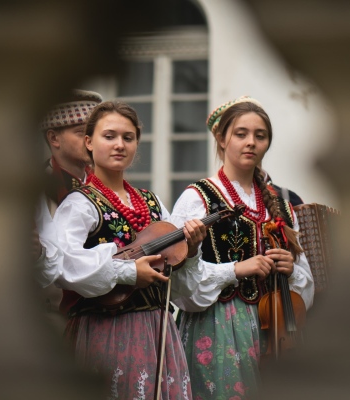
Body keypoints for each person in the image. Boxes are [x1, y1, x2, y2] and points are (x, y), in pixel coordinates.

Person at [41, 101, 207, 399]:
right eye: (109, 136)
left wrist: (191, 251)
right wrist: (128, 271)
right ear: (89, 142)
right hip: (106, 328)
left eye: (128, 138)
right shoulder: (79, 203)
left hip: (158, 329)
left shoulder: (152, 202)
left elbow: (178, 284)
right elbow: (65, 265)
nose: (119, 144)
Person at [170, 96, 314, 399]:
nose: (251, 142)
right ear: (222, 140)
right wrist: (234, 269)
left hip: (274, 326)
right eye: (241, 134)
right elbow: (178, 284)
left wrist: (291, 270)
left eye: (260, 136)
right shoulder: (198, 198)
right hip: (217, 327)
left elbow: (306, 281)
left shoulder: (283, 206)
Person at [33, 89, 102, 331]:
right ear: (54, 138)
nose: (92, 141)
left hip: (103, 315)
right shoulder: (35, 191)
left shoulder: (104, 186)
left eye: (95, 133)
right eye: (82, 133)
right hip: (49, 320)